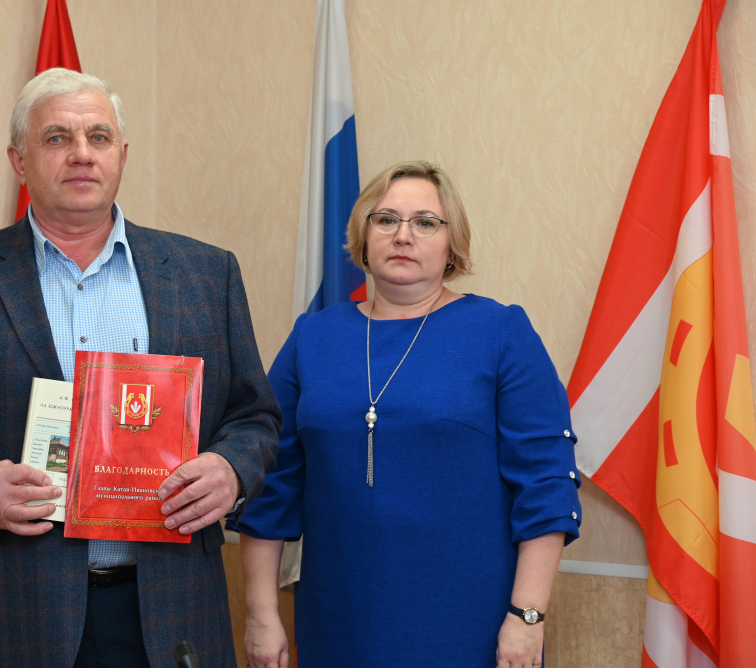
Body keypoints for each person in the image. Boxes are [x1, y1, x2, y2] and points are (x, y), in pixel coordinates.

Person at [0, 68, 282, 668]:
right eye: (57, 137)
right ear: (20, 161)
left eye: (99, 137)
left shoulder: (205, 273)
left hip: (173, 614)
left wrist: (231, 471)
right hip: (11, 621)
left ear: (122, 155)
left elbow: (256, 418)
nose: (82, 154)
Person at [229, 160, 582, 668]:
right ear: (363, 234)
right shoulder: (313, 337)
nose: (403, 235)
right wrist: (261, 614)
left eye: (425, 222)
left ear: (451, 242)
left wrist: (527, 617)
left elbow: (546, 484)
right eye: (386, 219)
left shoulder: (500, 331)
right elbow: (270, 484)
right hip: (338, 619)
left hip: (472, 624)